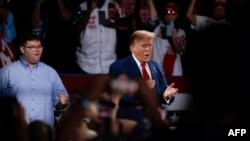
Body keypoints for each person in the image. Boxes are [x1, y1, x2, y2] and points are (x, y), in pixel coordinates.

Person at [109, 30, 178, 140]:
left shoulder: (157, 67)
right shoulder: (118, 67)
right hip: (129, 121)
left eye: (150, 46)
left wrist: (166, 95)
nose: (148, 50)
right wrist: (141, 89)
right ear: (132, 48)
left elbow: (161, 97)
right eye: (144, 46)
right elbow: (116, 96)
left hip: (153, 123)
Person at [0, 33, 69, 128]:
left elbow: (61, 102)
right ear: (22, 49)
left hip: (44, 133)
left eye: (39, 46)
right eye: (32, 47)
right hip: (18, 132)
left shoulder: (51, 73)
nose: (37, 50)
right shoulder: (6, 72)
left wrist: (63, 103)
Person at [72, 0, 121, 74]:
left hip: (109, 64)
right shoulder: (82, 6)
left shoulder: (113, 5)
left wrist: (117, 18)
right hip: (86, 64)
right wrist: (90, 10)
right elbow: (77, 29)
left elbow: (125, 26)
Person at [149, 0, 186, 76]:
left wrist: (173, 39)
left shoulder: (180, 32)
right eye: (167, 12)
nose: (169, 15)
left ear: (177, 15)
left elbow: (180, 51)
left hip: (174, 73)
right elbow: (153, 16)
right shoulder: (158, 27)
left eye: (173, 12)